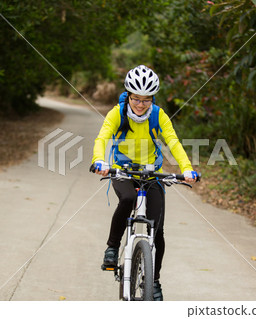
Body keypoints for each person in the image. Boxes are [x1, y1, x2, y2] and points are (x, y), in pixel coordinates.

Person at [91, 65, 198, 301]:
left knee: (157, 229)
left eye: (146, 100)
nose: (140, 105)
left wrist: (187, 168)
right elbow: (102, 138)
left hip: (152, 173)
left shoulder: (158, 116)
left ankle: (155, 280)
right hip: (123, 170)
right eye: (136, 99)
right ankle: (112, 247)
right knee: (127, 198)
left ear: (152, 98)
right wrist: (99, 160)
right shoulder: (117, 114)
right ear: (128, 95)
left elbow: (174, 142)